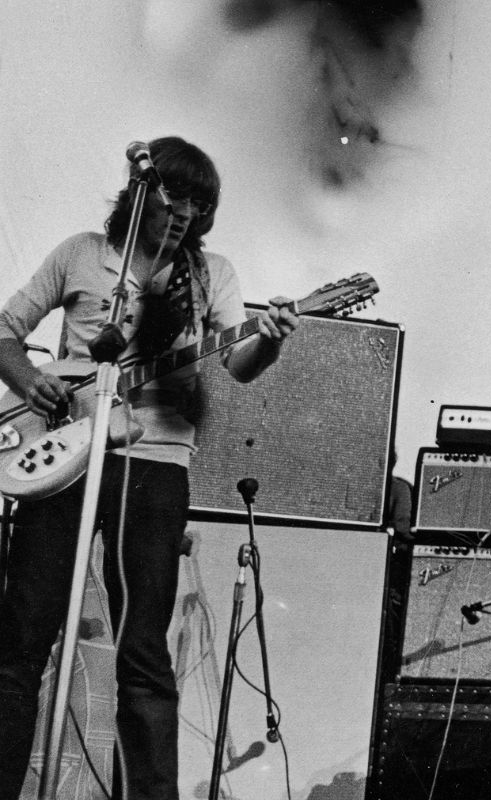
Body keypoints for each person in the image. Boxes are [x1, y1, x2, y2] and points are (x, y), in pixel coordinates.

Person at [0, 137, 300, 800]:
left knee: (144, 652)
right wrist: (33, 385)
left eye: (201, 203)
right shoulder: (82, 253)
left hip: (157, 465)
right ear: (142, 192)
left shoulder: (210, 273)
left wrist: (269, 344)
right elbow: (4, 332)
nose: (187, 212)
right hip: (65, 462)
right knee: (20, 642)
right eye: (176, 196)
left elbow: (238, 363)